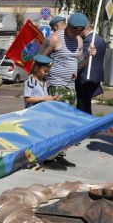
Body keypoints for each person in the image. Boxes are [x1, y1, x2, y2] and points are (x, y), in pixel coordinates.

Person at [42, 13, 86, 169]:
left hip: (70, 86)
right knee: (55, 123)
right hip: (56, 86)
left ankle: (61, 155)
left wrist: (89, 56)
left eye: (79, 32)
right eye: (74, 31)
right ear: (68, 26)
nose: (76, 34)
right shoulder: (54, 39)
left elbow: (77, 63)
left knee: (66, 124)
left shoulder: (79, 41)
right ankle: (49, 158)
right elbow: (41, 60)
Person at [76, 22, 106, 115]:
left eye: (79, 31)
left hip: (85, 78)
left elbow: (83, 58)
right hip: (95, 76)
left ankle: (86, 127)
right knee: (86, 106)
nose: (78, 34)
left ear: (84, 30)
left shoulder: (89, 40)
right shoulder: (100, 39)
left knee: (83, 108)